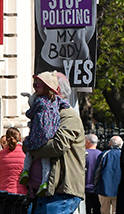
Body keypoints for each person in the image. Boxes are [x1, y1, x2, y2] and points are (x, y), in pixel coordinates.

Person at [28, 73, 85, 213]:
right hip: (45, 192)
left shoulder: (68, 115)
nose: (35, 89)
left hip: (60, 192)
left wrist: (32, 148)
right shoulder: (46, 113)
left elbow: (58, 146)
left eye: (39, 85)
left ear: (55, 89)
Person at [19, 71, 66, 198]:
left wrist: (29, 110)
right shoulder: (56, 101)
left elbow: (30, 113)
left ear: (46, 87)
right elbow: (65, 105)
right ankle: (44, 183)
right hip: (50, 134)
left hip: (38, 133)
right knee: (45, 160)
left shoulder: (39, 101)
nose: (34, 86)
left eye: (37, 85)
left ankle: (25, 171)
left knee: (29, 150)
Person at [0, 127, 27, 195]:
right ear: (20, 139)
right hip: (21, 195)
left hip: (2, 195)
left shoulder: (0, 155)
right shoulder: (25, 154)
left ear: (6, 139)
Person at [94, 136, 123, 214]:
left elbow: (97, 172)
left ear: (110, 143)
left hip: (104, 188)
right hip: (119, 189)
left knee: (104, 211)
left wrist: (95, 185)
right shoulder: (123, 155)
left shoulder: (104, 154)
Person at [85, 134, 102, 213]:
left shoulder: (84, 154)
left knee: (86, 210)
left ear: (88, 142)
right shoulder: (101, 154)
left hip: (85, 187)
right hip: (97, 187)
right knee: (97, 210)